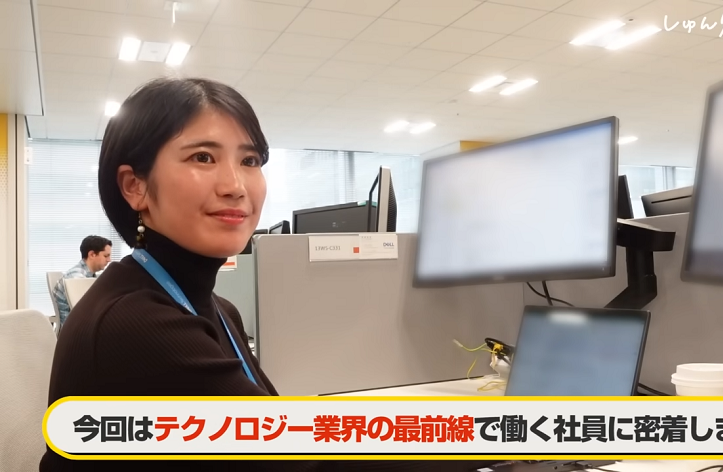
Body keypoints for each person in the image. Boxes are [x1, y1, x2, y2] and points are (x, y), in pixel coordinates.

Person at [41, 78, 495, 472]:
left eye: (250, 161)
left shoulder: (217, 309)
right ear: (134, 186)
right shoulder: (137, 323)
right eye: (202, 157)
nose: (235, 185)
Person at [52, 235, 112, 325]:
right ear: (92, 254)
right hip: (74, 329)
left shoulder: (88, 276)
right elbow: (87, 310)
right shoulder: (76, 278)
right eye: (105, 256)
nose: (109, 260)